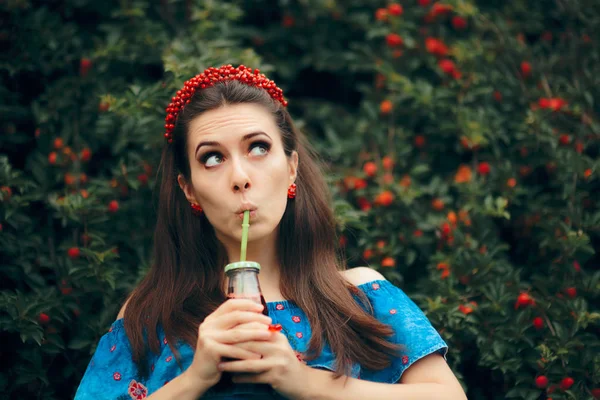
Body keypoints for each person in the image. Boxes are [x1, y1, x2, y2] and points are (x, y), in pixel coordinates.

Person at [74, 65, 467, 400]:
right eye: (212, 158)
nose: (241, 177)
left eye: (258, 148)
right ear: (189, 189)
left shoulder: (361, 297)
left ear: (291, 168)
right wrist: (193, 379)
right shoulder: (150, 314)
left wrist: (307, 383)